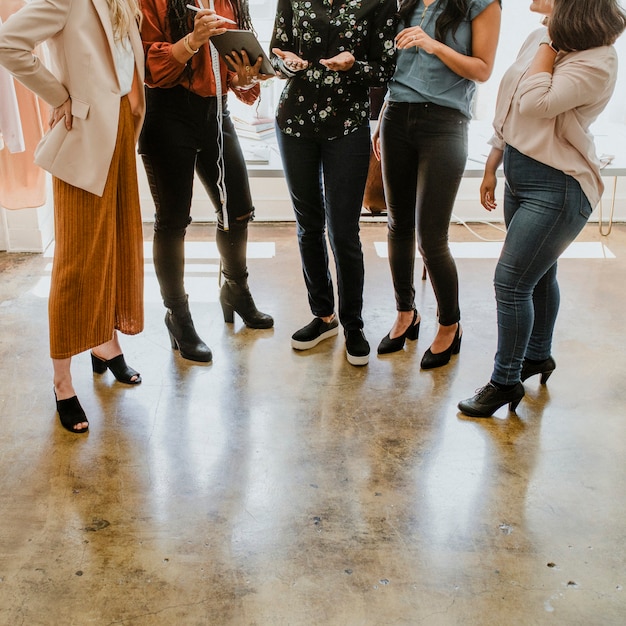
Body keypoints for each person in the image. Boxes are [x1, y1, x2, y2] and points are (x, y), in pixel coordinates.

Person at [458, 0, 626, 417]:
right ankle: (537, 356)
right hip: (519, 172)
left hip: (559, 185)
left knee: (511, 283)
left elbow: (537, 103)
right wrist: (493, 165)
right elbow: (511, 104)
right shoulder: (541, 38)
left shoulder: (597, 60)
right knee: (539, 273)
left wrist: (550, 43)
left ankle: (505, 381)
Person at [0, 0, 146, 433]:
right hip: (81, 131)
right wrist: (58, 95)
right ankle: (62, 381)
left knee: (115, 243)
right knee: (77, 263)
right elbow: (8, 42)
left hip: (121, 125)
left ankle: (104, 343)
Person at [139, 0, 273, 364]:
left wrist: (244, 80)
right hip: (167, 113)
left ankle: (235, 290)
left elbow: (232, 73)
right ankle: (178, 317)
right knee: (172, 222)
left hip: (216, 113)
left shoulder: (228, 1)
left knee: (239, 210)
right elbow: (151, 67)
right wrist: (193, 40)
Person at [373, 0, 501, 368]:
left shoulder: (481, 4)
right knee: (397, 226)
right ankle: (405, 314)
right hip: (398, 113)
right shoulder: (409, 2)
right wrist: (383, 116)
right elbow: (398, 67)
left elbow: (483, 69)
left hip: (445, 122)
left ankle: (450, 324)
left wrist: (434, 45)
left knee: (431, 236)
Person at [270, 0, 398, 366]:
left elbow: (385, 69)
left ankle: (353, 324)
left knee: (343, 231)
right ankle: (323, 315)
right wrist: (286, 63)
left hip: (347, 125)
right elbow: (276, 55)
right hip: (294, 122)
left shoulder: (380, 2)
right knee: (308, 225)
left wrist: (353, 65)